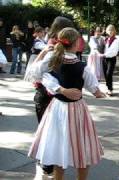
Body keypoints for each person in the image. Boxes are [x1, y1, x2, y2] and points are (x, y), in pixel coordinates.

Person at [28, 27, 105, 180]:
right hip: (76, 109)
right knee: (82, 146)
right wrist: (101, 94)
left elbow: (36, 74)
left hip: (57, 108)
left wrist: (60, 89)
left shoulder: (53, 59)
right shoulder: (83, 67)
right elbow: (95, 90)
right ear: (76, 43)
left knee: (58, 145)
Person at [27, 16, 77, 177]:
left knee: (51, 135)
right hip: (50, 97)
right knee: (49, 135)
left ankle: (48, 167)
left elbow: (35, 74)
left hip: (54, 98)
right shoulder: (52, 49)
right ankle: (46, 167)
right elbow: (33, 74)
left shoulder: (59, 49)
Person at [102, 24, 119, 96]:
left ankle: (110, 89)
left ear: (114, 31)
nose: (110, 32)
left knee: (109, 74)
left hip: (111, 59)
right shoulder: (106, 39)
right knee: (105, 74)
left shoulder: (116, 41)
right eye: (109, 30)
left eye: (111, 30)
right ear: (107, 31)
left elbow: (113, 51)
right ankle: (108, 87)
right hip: (105, 58)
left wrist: (104, 54)